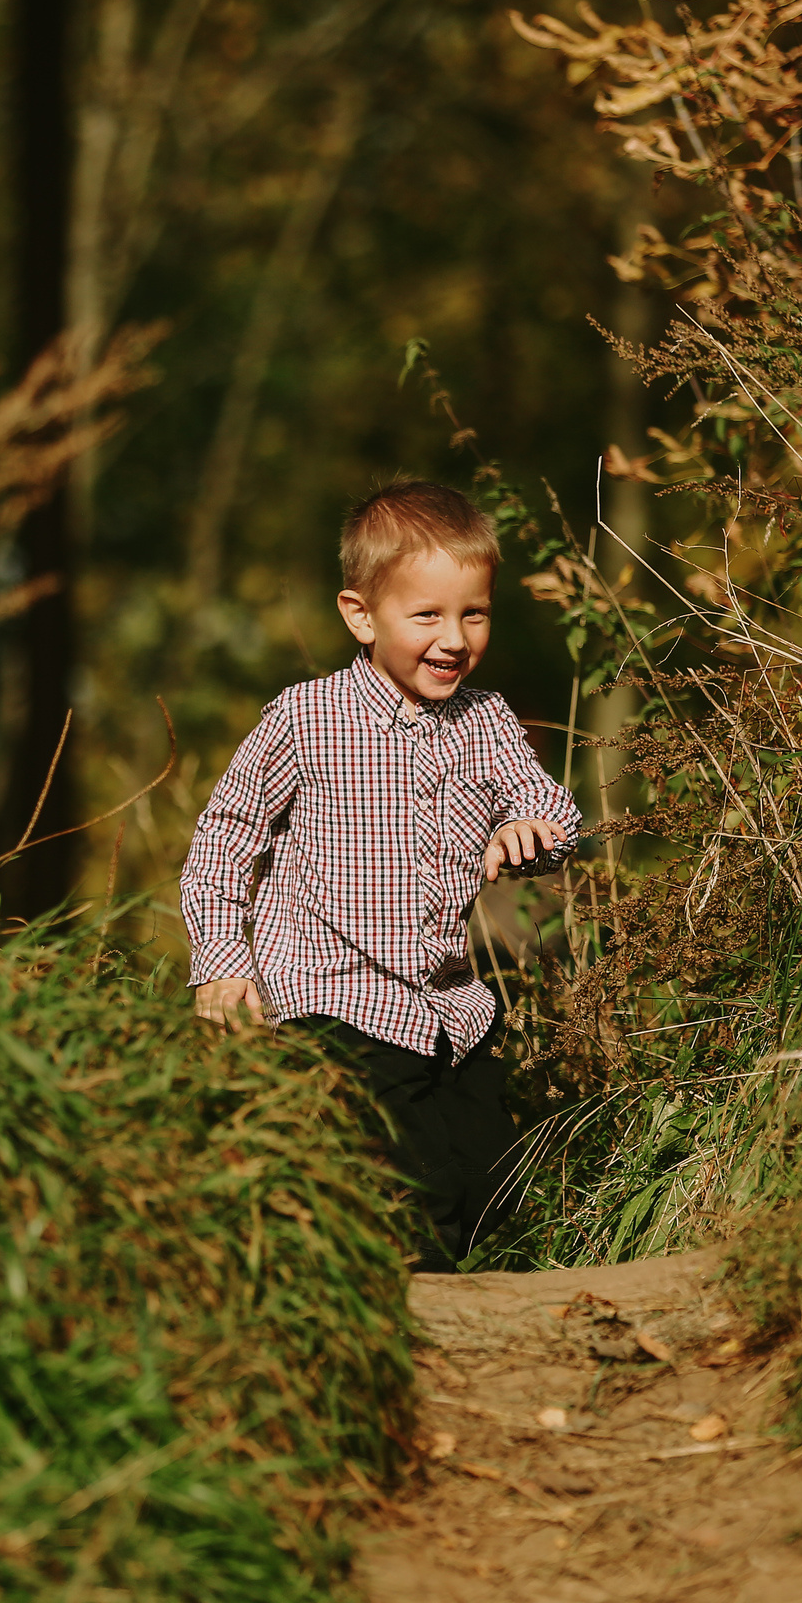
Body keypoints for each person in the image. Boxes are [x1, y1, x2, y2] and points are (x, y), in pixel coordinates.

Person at [180, 479, 582, 1272]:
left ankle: (459, 1282)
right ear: (362, 616)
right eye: (427, 615)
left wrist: (528, 831)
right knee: (407, 1190)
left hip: (447, 1008)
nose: (454, 638)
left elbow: (553, 808)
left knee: (490, 1184)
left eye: (474, 613)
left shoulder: (486, 721)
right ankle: (384, 1300)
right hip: (334, 1002)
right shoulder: (306, 718)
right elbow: (224, 840)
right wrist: (222, 963)